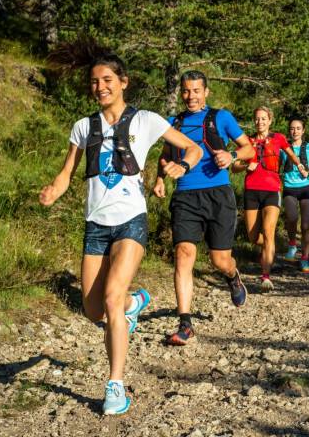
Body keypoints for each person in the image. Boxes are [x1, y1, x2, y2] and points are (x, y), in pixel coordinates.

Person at [40, 42, 202, 415]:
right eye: (95, 82)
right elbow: (67, 174)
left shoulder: (146, 120)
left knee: (110, 298)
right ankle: (135, 303)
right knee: (93, 310)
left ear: (123, 82)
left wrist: (183, 167)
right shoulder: (83, 127)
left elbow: (191, 149)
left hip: (131, 220)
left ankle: (115, 385)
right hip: (95, 225)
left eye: (107, 80)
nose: (100, 87)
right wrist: (53, 190)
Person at [153, 70, 254, 346]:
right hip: (186, 195)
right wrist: (160, 178)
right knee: (184, 253)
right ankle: (185, 324)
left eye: (196, 90)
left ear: (206, 92)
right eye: (186, 91)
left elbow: (249, 149)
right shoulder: (175, 123)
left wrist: (231, 154)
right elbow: (165, 156)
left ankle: (232, 277)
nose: (191, 96)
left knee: (220, 260)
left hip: (218, 195)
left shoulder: (221, 117)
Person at [231, 107, 304, 291]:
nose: (260, 122)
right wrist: (246, 167)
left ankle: (265, 277)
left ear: (270, 120)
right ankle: (270, 247)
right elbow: (234, 167)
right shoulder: (247, 141)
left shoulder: (278, 138)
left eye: (263, 119)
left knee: (268, 230)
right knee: (253, 237)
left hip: (272, 189)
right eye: (257, 119)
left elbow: (291, 153)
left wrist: (301, 166)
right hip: (251, 191)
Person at [280, 118, 309, 273]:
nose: (295, 131)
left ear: (303, 131)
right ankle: (292, 244)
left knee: (305, 226)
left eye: (298, 128)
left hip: (306, 188)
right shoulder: (284, 148)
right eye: (292, 128)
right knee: (291, 218)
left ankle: (304, 258)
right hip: (289, 186)